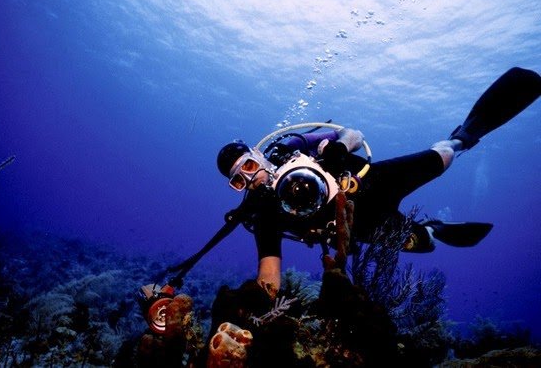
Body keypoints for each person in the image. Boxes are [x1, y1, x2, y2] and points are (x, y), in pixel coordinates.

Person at [216, 67, 541, 297]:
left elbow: (354, 135)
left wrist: (339, 149)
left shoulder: (290, 146)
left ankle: (461, 138)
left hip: (370, 181)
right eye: (239, 182)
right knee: (422, 244)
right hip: (357, 225)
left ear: (258, 155)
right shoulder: (264, 215)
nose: (251, 177)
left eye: (248, 165)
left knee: (442, 158)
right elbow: (269, 273)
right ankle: (433, 227)